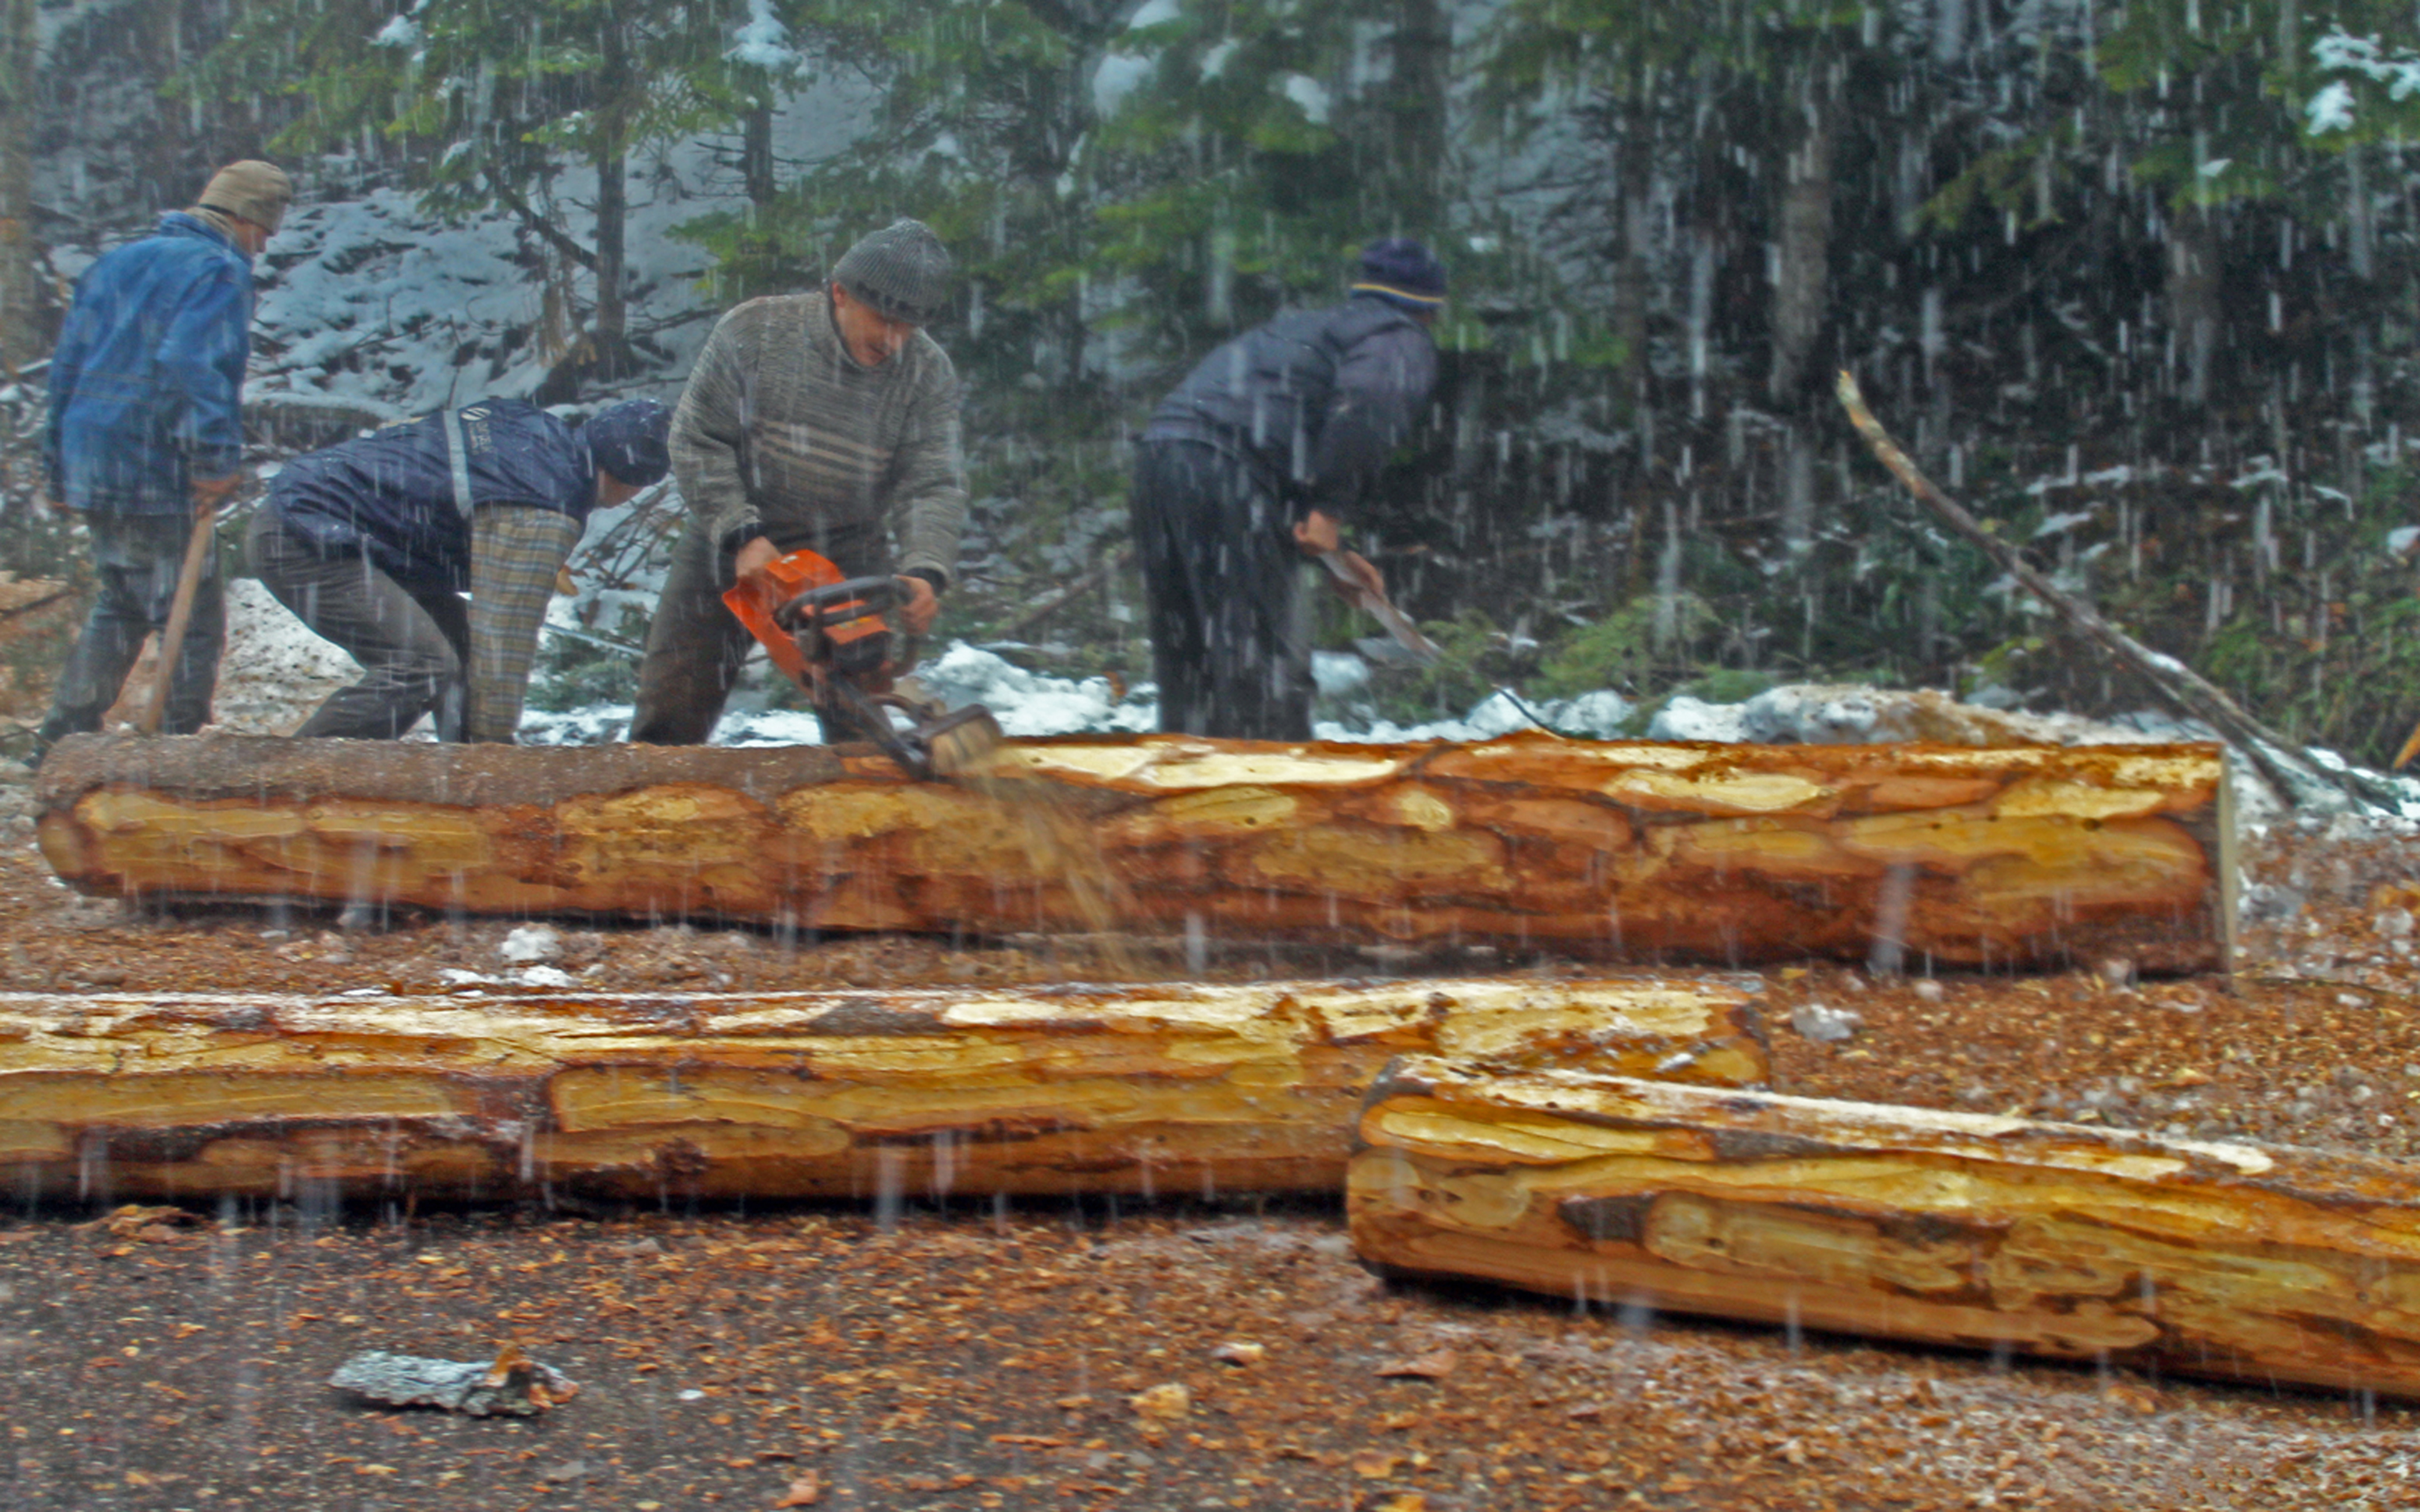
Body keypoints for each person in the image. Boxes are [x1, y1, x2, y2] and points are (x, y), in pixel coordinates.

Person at [629, 218, 967, 746]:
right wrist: (741, 534)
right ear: (839, 292)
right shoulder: (755, 332)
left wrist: (925, 569)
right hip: (732, 534)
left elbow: (932, 483)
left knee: (861, 718)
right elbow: (697, 439)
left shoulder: (928, 373)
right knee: (674, 699)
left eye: (909, 327)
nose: (893, 340)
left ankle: (869, 819)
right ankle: (644, 812)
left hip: (847, 548)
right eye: (883, 320)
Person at [1132, 238, 1446, 741]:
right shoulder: (1397, 335)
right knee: (1264, 666)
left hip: (1161, 460)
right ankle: (1276, 800)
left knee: (1190, 660)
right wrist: (1330, 509)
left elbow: (1268, 433)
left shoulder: (1307, 329)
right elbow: (1367, 405)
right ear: (1430, 308)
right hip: (1226, 472)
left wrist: (1335, 553)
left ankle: (1183, 797)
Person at [33, 160, 293, 757]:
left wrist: (57, 463)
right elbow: (191, 366)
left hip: (92, 452)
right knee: (192, 612)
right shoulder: (218, 271)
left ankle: (61, 733)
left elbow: (66, 365)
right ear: (246, 217)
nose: (263, 247)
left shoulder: (117, 262)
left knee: (121, 600)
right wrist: (211, 456)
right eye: (266, 232)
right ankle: (177, 750)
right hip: (151, 455)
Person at [246, 397, 671, 742]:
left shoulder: (533, 433)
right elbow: (504, 636)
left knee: (461, 657)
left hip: (344, 525)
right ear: (637, 480)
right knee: (423, 666)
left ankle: (460, 781)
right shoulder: (542, 506)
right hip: (305, 536)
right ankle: (302, 780)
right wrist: (493, 754)